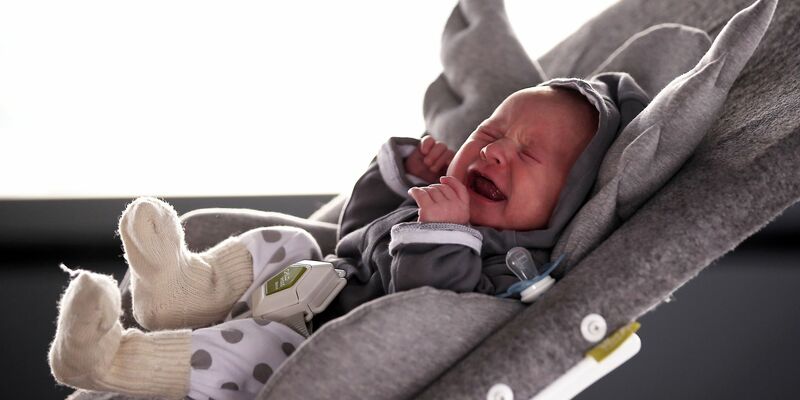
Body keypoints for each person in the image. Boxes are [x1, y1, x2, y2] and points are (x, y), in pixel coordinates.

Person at [48, 76, 647, 400]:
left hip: (304, 351)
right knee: (290, 242)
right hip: (303, 287)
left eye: (528, 155)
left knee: (251, 351)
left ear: (564, 203)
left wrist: (442, 233)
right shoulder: (439, 200)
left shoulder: (510, 272)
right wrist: (403, 177)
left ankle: (113, 362)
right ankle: (181, 292)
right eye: (490, 133)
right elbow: (353, 232)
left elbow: (428, 318)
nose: (494, 152)